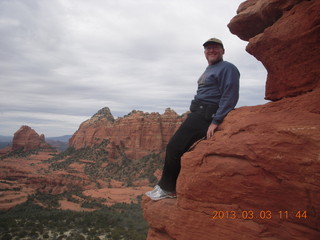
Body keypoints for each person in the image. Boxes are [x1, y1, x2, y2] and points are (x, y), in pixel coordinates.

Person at [146, 37, 240, 200]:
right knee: (179, 148)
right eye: (208, 48)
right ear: (204, 52)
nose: (211, 50)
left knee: (174, 147)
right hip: (198, 112)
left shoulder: (228, 68)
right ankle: (171, 185)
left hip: (206, 114)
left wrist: (216, 121)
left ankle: (167, 189)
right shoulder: (210, 68)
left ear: (223, 51)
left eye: (215, 48)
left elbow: (230, 95)